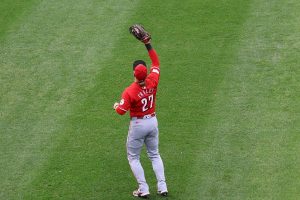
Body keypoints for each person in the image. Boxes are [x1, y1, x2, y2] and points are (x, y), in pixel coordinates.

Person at [113, 39, 168, 198]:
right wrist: (147, 43)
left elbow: (121, 111)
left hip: (138, 124)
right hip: (152, 121)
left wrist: (116, 105)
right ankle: (162, 186)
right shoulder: (153, 80)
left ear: (133, 74)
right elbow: (156, 62)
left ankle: (143, 189)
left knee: (133, 157)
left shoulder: (130, 91)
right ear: (146, 73)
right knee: (154, 154)